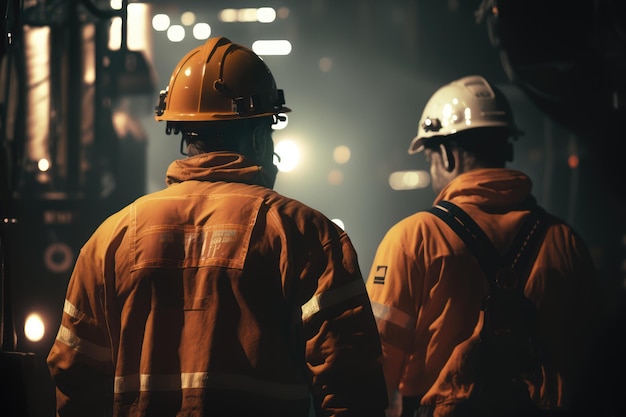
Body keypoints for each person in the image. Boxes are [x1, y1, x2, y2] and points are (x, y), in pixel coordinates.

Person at [47, 36, 388, 417]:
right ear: (261, 135)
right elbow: (352, 386)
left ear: (182, 134)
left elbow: (75, 379)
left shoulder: (111, 239)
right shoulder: (306, 235)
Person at [365, 75, 606, 417]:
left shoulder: (413, 238)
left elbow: (374, 364)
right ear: (506, 146)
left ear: (445, 155)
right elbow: (596, 357)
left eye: (430, 159)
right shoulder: (565, 241)